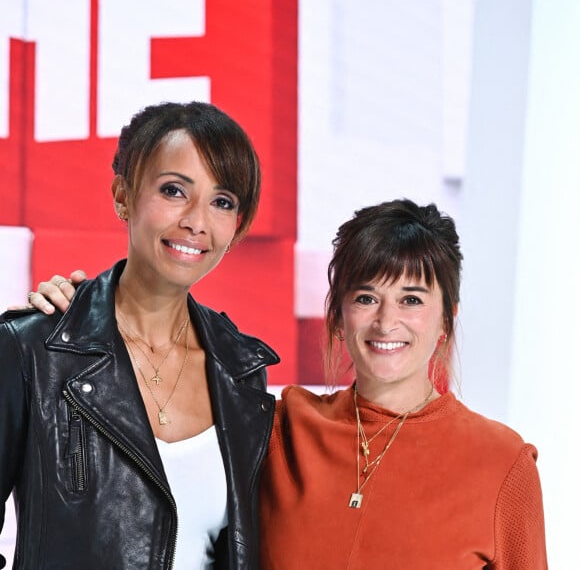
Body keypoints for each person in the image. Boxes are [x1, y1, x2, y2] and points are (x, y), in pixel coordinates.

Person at [24, 199, 548, 569]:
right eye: (366, 298)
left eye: (412, 300)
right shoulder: (280, 425)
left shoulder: (501, 463)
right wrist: (83, 316)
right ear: (339, 317)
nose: (388, 322)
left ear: (446, 320)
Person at [0, 101, 279, 569]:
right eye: (174, 190)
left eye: (222, 201)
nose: (197, 220)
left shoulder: (241, 371)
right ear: (123, 195)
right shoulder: (33, 348)